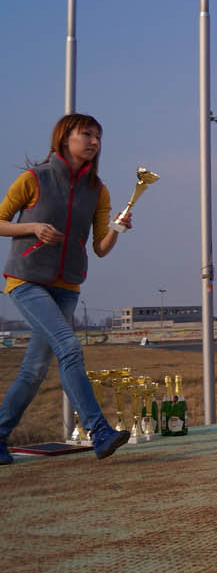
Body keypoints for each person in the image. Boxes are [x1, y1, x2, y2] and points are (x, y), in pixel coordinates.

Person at [0, 114, 133, 464]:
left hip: (67, 287)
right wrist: (32, 228)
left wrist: (117, 229)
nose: (94, 142)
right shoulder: (34, 178)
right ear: (64, 137)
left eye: (98, 136)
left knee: (33, 370)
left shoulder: (98, 190)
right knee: (69, 346)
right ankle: (99, 431)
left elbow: (100, 248)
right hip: (26, 281)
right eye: (86, 134)